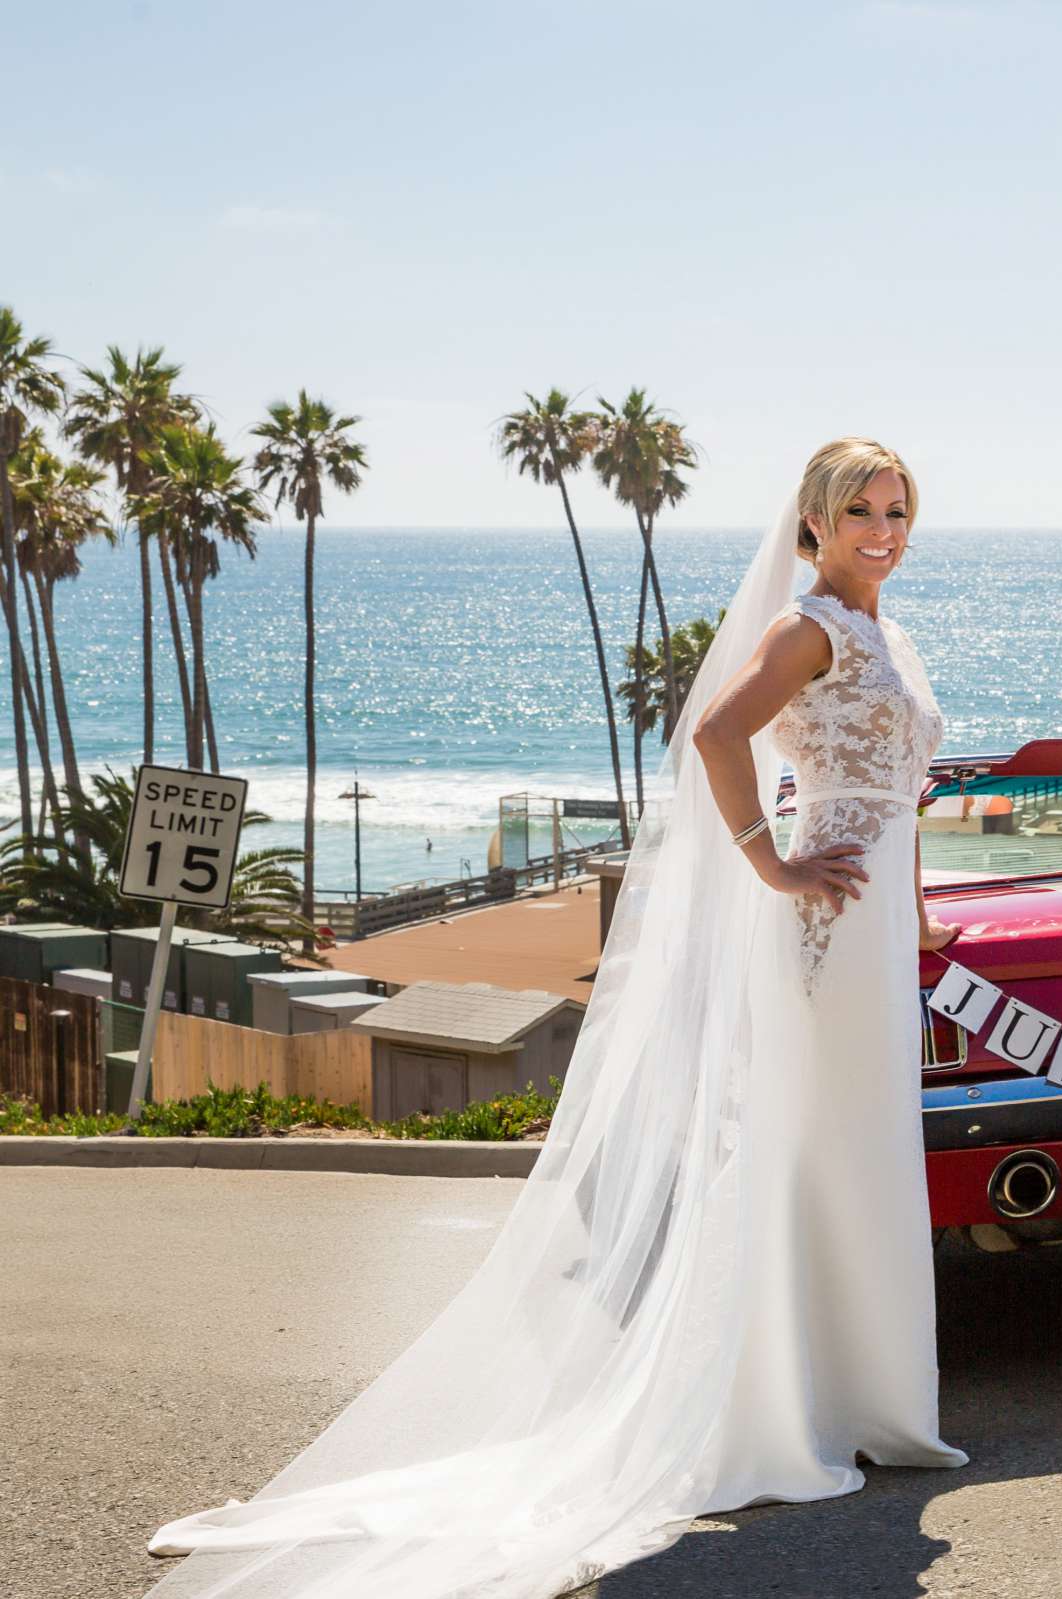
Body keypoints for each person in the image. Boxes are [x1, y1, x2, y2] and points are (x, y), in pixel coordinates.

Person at [142, 438, 966, 1599]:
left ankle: (866, 1402)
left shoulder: (894, 636)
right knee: (809, 1157)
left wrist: (920, 921)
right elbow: (718, 738)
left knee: (864, 1156)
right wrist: (771, 865)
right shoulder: (809, 627)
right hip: (824, 932)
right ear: (814, 528)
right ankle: (777, 1411)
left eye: (896, 509)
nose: (882, 530)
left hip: (876, 931)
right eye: (859, 512)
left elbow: (902, 800)